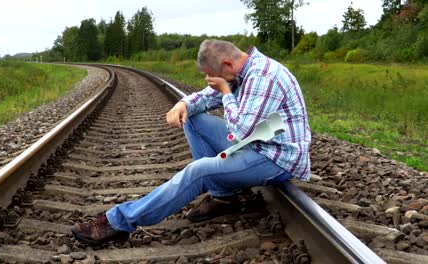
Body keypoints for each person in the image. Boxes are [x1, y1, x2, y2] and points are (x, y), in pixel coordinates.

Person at [71, 39, 311, 245]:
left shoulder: (263, 76)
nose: (208, 80)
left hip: (275, 157)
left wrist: (226, 92)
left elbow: (240, 132)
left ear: (226, 63)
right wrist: (183, 104)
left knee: (198, 172)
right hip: (256, 143)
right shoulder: (240, 71)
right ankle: (223, 196)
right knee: (192, 118)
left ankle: (119, 223)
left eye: (211, 75)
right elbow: (205, 98)